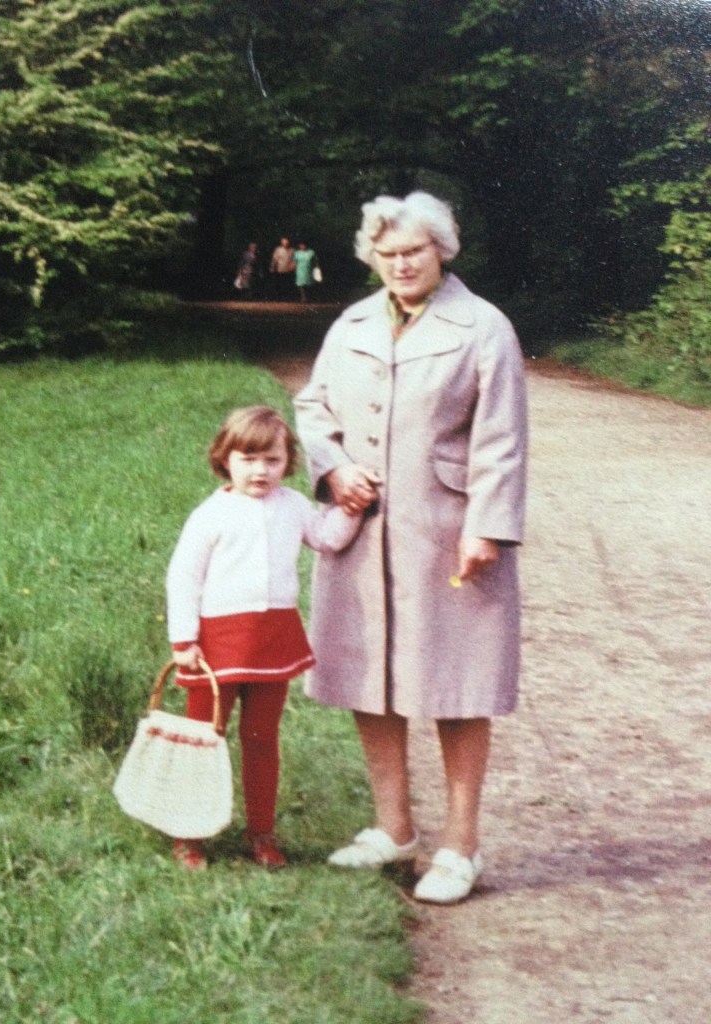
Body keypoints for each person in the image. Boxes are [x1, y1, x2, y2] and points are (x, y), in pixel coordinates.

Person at [294, 191, 528, 904]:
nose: (400, 265)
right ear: (373, 258)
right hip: (364, 535)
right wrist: (334, 468)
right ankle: (392, 829)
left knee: (458, 682)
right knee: (369, 673)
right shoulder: (353, 323)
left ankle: (460, 846)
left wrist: (487, 527)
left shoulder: (483, 327)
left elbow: (502, 437)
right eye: (387, 254)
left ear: (441, 250)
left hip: (447, 533)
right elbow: (312, 407)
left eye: (413, 252)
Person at [165, 406, 363, 871]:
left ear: (288, 462)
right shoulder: (211, 514)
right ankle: (188, 833)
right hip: (215, 643)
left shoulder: (292, 505)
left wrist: (351, 508)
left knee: (261, 737)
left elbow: (327, 537)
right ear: (224, 459)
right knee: (204, 737)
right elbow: (183, 577)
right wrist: (183, 640)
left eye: (272, 460)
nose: (260, 471)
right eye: (248, 459)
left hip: (272, 636)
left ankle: (261, 832)